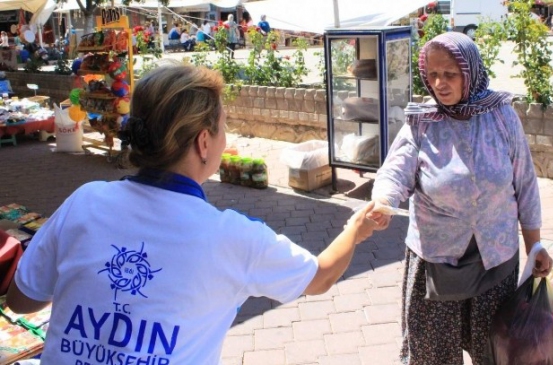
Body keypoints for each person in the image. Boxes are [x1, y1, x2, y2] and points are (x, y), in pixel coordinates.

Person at [6, 63, 377, 363]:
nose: (224, 139)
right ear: (203, 142)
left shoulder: (85, 201)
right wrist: (355, 229)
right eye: (223, 128)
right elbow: (321, 277)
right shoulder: (232, 238)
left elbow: (21, 301)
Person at [367, 32, 553, 364]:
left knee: (493, 350)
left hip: (494, 258)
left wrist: (535, 246)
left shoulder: (501, 116)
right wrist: (384, 200)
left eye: (450, 74)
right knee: (431, 354)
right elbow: (395, 170)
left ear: (470, 72)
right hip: (436, 260)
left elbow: (525, 183)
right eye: (433, 74)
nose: (439, 83)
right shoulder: (422, 121)